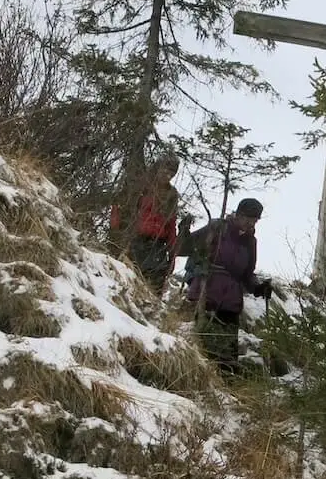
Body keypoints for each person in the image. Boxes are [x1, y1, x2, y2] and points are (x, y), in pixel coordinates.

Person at [183, 197, 273, 373]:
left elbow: (247, 274)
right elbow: (186, 247)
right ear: (238, 214)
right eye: (247, 218)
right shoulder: (217, 228)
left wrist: (258, 288)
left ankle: (224, 385)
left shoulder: (250, 242)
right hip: (205, 296)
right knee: (202, 350)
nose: (250, 223)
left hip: (231, 305)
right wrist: (183, 231)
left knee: (226, 360)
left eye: (254, 220)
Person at [110, 150, 182, 294]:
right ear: (158, 167)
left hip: (158, 246)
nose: (168, 176)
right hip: (135, 240)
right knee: (129, 281)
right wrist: (116, 232)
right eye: (165, 170)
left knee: (154, 287)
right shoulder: (141, 185)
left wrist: (173, 252)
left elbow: (171, 225)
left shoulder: (172, 195)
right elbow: (120, 207)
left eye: (172, 173)